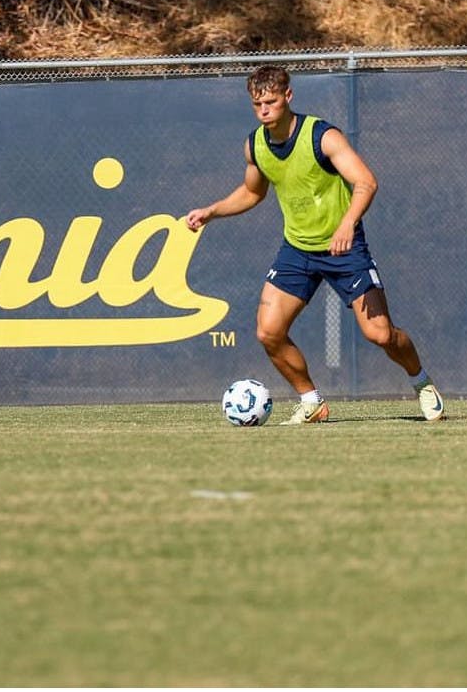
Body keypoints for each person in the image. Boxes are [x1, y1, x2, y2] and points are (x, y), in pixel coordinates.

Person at [185, 65, 445, 424]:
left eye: (272, 101)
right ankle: (312, 401)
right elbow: (251, 192)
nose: (264, 110)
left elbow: (366, 182)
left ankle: (421, 382)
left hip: (345, 249)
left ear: (288, 96)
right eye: (257, 103)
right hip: (297, 251)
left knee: (380, 334)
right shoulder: (255, 145)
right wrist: (211, 211)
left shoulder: (322, 136)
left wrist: (347, 224)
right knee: (268, 332)